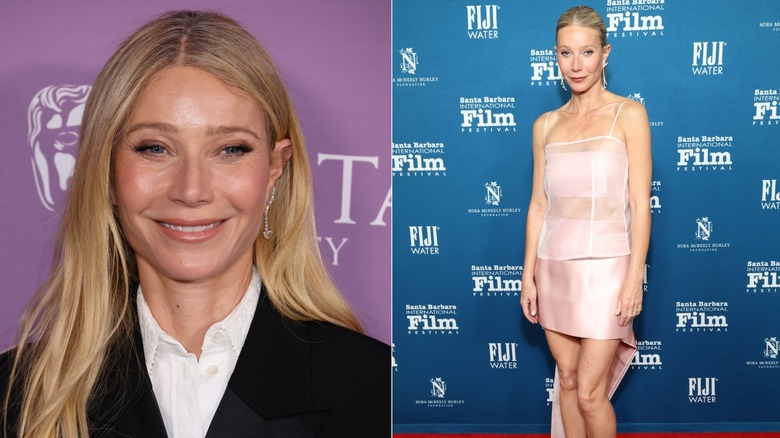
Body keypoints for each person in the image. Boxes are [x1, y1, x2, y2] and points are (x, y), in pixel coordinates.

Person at [1, 10, 389, 438]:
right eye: (154, 148)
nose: (191, 190)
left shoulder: (382, 393)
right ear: (106, 173)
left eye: (230, 149)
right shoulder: (13, 397)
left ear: (274, 168)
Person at [520, 5, 651, 438]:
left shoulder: (628, 115)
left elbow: (640, 203)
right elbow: (539, 205)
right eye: (565, 53)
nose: (576, 65)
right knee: (570, 383)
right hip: (554, 267)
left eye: (587, 52)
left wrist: (635, 277)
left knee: (592, 393)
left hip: (608, 269)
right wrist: (528, 277)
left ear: (605, 53)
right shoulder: (544, 126)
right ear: (555, 55)